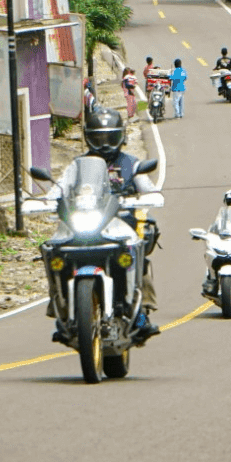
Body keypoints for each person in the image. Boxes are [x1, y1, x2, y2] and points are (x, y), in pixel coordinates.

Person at [54, 109, 160, 342]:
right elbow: (60, 187)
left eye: (109, 138)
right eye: (98, 138)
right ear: (88, 137)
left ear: (121, 137)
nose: (104, 145)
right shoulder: (77, 165)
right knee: (55, 253)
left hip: (121, 224)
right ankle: (61, 311)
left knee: (137, 259)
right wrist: (47, 199)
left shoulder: (132, 164)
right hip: (84, 224)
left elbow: (149, 189)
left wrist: (147, 197)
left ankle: (141, 316)